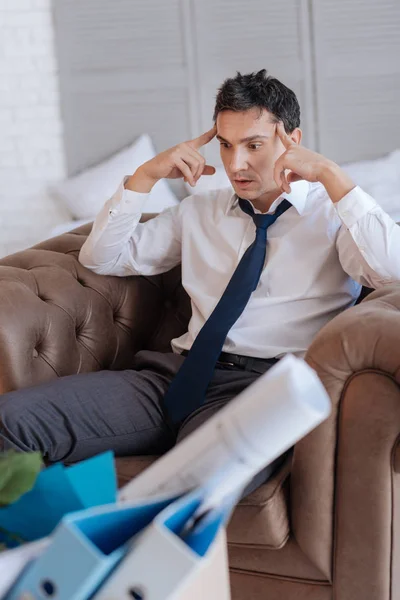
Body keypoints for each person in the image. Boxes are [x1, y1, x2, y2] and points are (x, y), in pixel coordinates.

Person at [1, 69, 399, 496]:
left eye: (254, 145)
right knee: (9, 425)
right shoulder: (199, 211)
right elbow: (103, 256)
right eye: (226, 145)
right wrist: (146, 177)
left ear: (292, 142)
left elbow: (390, 272)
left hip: (261, 392)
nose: (235, 164)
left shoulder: (334, 215)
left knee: (193, 483)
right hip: (171, 376)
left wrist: (334, 178)